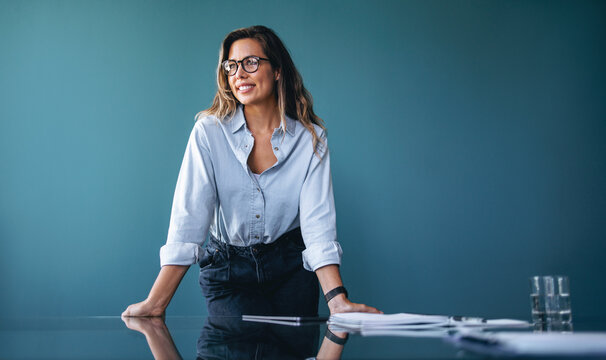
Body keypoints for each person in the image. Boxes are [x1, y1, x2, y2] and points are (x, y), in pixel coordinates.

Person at [122, 25, 380, 319]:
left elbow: (318, 226)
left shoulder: (311, 139)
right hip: (228, 272)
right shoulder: (208, 132)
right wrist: (155, 304)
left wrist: (336, 300)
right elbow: (189, 219)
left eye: (251, 63)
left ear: (278, 70)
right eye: (231, 66)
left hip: (292, 274)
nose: (239, 74)